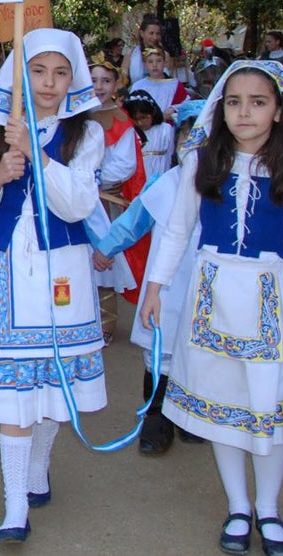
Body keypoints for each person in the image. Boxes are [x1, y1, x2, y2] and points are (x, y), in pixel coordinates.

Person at [141, 60, 283, 556]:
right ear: (221, 109)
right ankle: (238, 505)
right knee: (222, 404)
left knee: (269, 405)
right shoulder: (202, 163)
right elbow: (178, 229)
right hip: (211, 294)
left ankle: (269, 507)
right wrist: (155, 286)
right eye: (235, 102)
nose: (245, 113)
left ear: (279, 112)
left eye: (258, 102)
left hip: (272, 299)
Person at [0, 28, 107, 544]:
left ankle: (39, 468)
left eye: (60, 73)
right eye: (38, 71)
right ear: (20, 73)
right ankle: (15, 504)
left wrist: (37, 158)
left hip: (63, 268)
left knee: (54, 380)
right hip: (6, 271)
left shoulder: (86, 134)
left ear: (74, 77)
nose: (49, 83)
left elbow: (78, 205)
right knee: (15, 390)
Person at [92, 101, 206, 455]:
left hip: (207, 287)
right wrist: (107, 247)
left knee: (200, 354)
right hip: (168, 289)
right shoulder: (166, 184)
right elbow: (134, 221)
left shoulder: (226, 187)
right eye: (188, 138)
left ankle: (191, 416)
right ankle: (156, 420)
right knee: (163, 353)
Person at [87, 56, 146, 344]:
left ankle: (106, 323)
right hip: (76, 198)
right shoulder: (75, 114)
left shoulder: (122, 121)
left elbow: (126, 165)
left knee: (104, 260)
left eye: (105, 81)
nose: (98, 86)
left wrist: (93, 174)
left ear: (116, 85)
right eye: (93, 80)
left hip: (103, 200)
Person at [128, 47, 188, 123]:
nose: (154, 65)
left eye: (158, 61)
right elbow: (132, 107)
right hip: (144, 128)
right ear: (145, 64)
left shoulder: (174, 84)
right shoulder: (138, 86)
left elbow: (186, 103)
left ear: (164, 63)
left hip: (167, 128)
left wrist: (173, 109)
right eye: (150, 62)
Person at [125, 90, 175, 179]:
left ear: (153, 112)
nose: (139, 123)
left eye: (143, 118)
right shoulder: (130, 132)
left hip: (161, 176)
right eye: (135, 119)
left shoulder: (165, 130)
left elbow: (171, 154)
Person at [121, 13, 164, 84]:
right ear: (142, 33)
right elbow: (122, 78)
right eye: (151, 33)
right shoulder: (131, 54)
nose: (155, 37)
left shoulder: (164, 55)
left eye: (157, 34)